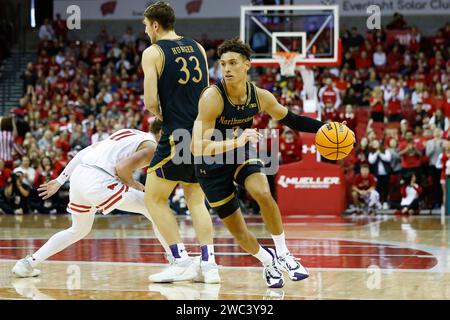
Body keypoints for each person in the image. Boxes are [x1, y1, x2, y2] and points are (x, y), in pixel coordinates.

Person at [191, 38, 354, 288]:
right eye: (223, 64)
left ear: (247, 65)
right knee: (240, 235)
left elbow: (292, 119)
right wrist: (236, 141)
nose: (227, 69)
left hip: (240, 153)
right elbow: (196, 146)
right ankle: (268, 261)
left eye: (233, 63)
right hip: (210, 164)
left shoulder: (260, 96)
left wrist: (327, 127)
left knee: (263, 192)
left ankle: (284, 253)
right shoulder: (212, 97)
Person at [11, 128, 171, 277]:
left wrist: (60, 180)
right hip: (98, 179)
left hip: (80, 176)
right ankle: (176, 259)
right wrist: (135, 185)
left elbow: (83, 153)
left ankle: (27, 264)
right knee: (153, 207)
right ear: (161, 133)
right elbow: (122, 168)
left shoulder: (128, 133)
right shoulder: (151, 146)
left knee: (78, 230)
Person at [141, 2, 220, 284]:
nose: (145, 30)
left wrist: (164, 115)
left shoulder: (152, 52)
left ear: (155, 25)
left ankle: (180, 259)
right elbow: (210, 92)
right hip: (204, 131)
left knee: (154, 198)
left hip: (177, 132)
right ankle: (209, 266)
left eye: (145, 25)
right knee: (196, 200)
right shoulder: (197, 46)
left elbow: (151, 102)